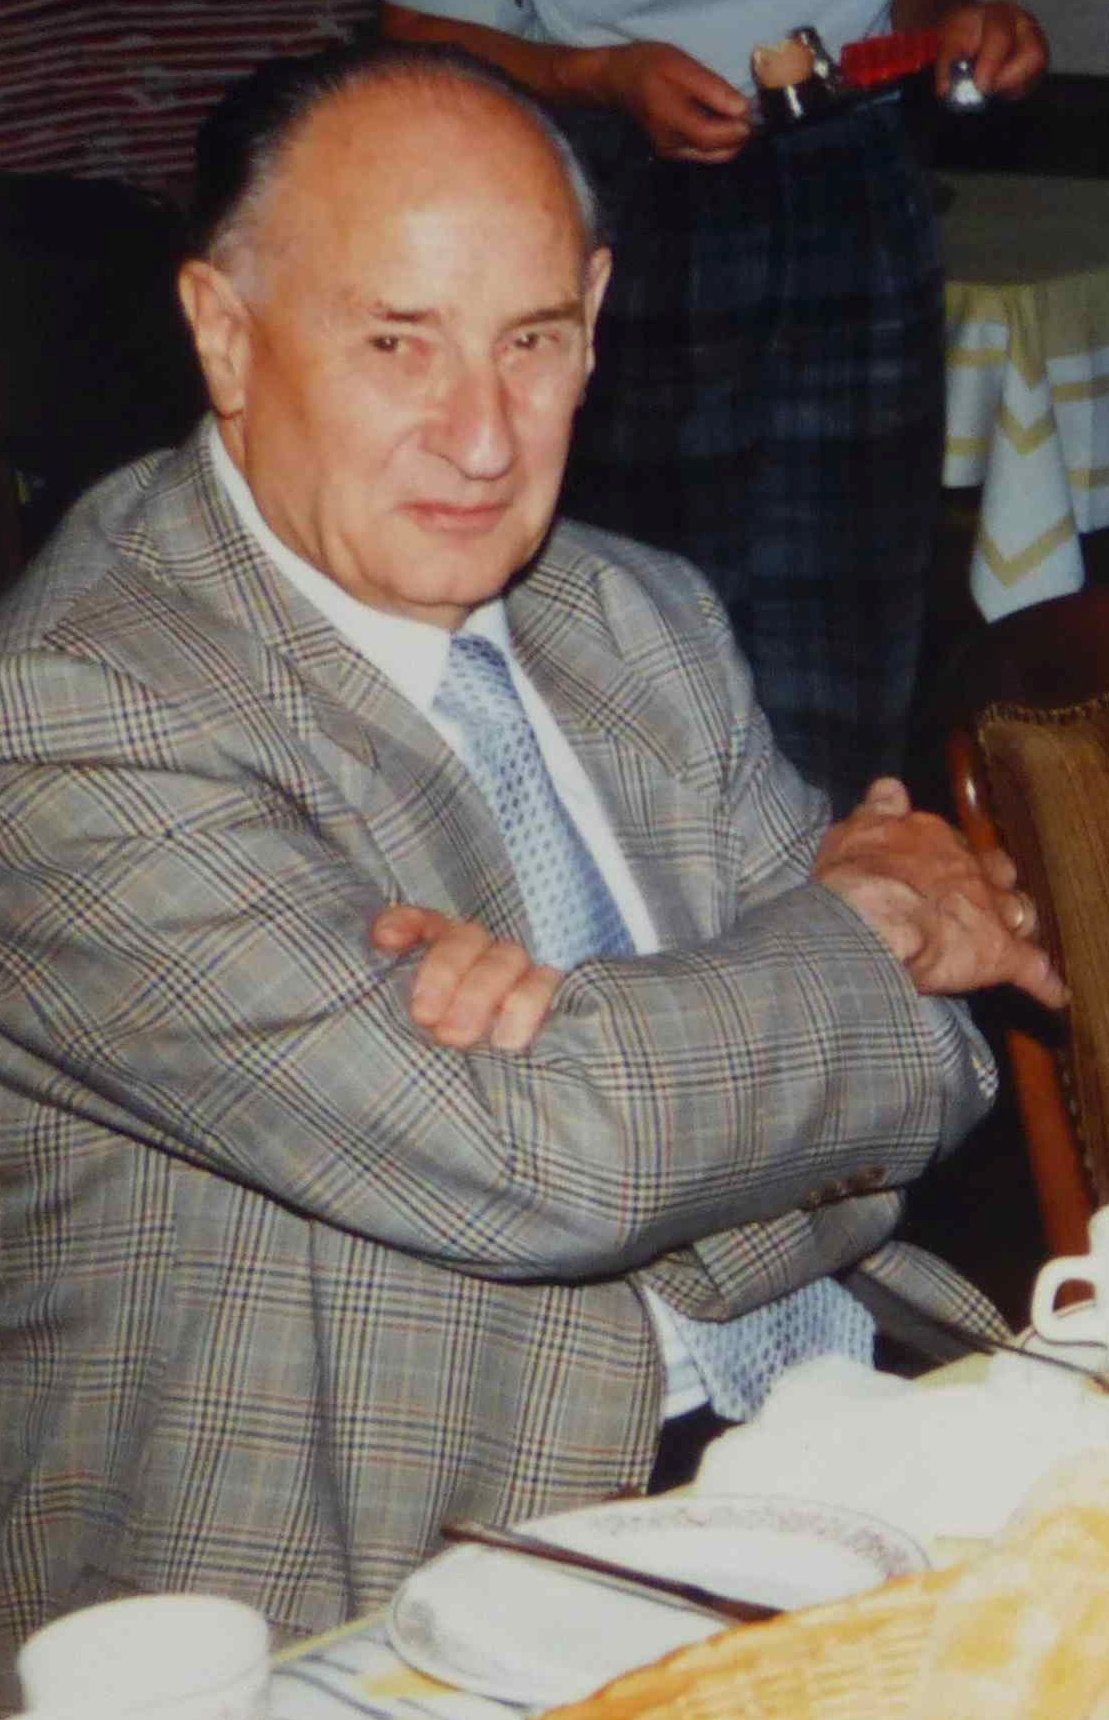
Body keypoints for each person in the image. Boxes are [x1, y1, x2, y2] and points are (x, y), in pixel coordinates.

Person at [0, 40, 1063, 1680]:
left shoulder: (632, 612)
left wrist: (608, 1065)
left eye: (533, 340)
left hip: (823, 1446)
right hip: (382, 1576)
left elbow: (934, 1072)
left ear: (597, 315)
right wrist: (844, 949)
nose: (482, 438)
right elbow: (565, 1159)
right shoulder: (76, 713)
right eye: (395, 343)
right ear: (224, 333)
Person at [380, 0, 1047, 813]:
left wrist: (959, 21)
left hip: (854, 165)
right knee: (626, 645)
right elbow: (418, 28)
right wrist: (594, 75)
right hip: (623, 180)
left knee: (849, 660)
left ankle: (838, 881)